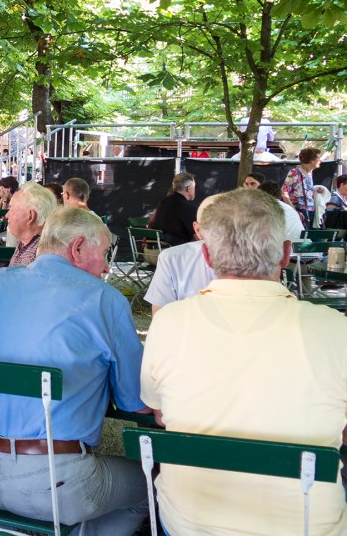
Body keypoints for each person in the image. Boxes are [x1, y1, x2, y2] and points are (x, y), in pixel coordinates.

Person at [141, 188, 347, 535]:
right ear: (285, 254)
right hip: (309, 524)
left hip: (189, 520)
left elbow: (160, 414)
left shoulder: (169, 322)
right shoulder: (335, 328)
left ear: (206, 255)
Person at [0, 206, 149, 534]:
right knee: (152, 485)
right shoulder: (106, 299)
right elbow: (135, 401)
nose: (105, 267)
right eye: (103, 253)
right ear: (77, 248)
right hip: (52, 482)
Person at [144, 195, 222, 317]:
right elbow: (160, 317)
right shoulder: (172, 259)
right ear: (198, 230)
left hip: (151, 251)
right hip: (160, 251)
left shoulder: (165, 203)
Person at [5, 181, 58, 266]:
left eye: (12, 209)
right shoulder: (24, 242)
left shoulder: (42, 253)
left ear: (30, 216)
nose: (7, 215)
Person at [150, 172, 198, 245]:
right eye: (194, 187)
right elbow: (197, 236)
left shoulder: (163, 202)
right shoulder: (187, 207)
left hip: (153, 249)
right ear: (189, 189)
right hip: (172, 251)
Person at [283, 146, 322, 228]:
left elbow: (301, 188)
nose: (320, 161)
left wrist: (315, 190)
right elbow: (284, 192)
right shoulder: (295, 172)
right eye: (318, 158)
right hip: (300, 211)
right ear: (311, 160)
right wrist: (294, 211)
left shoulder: (309, 173)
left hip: (310, 211)